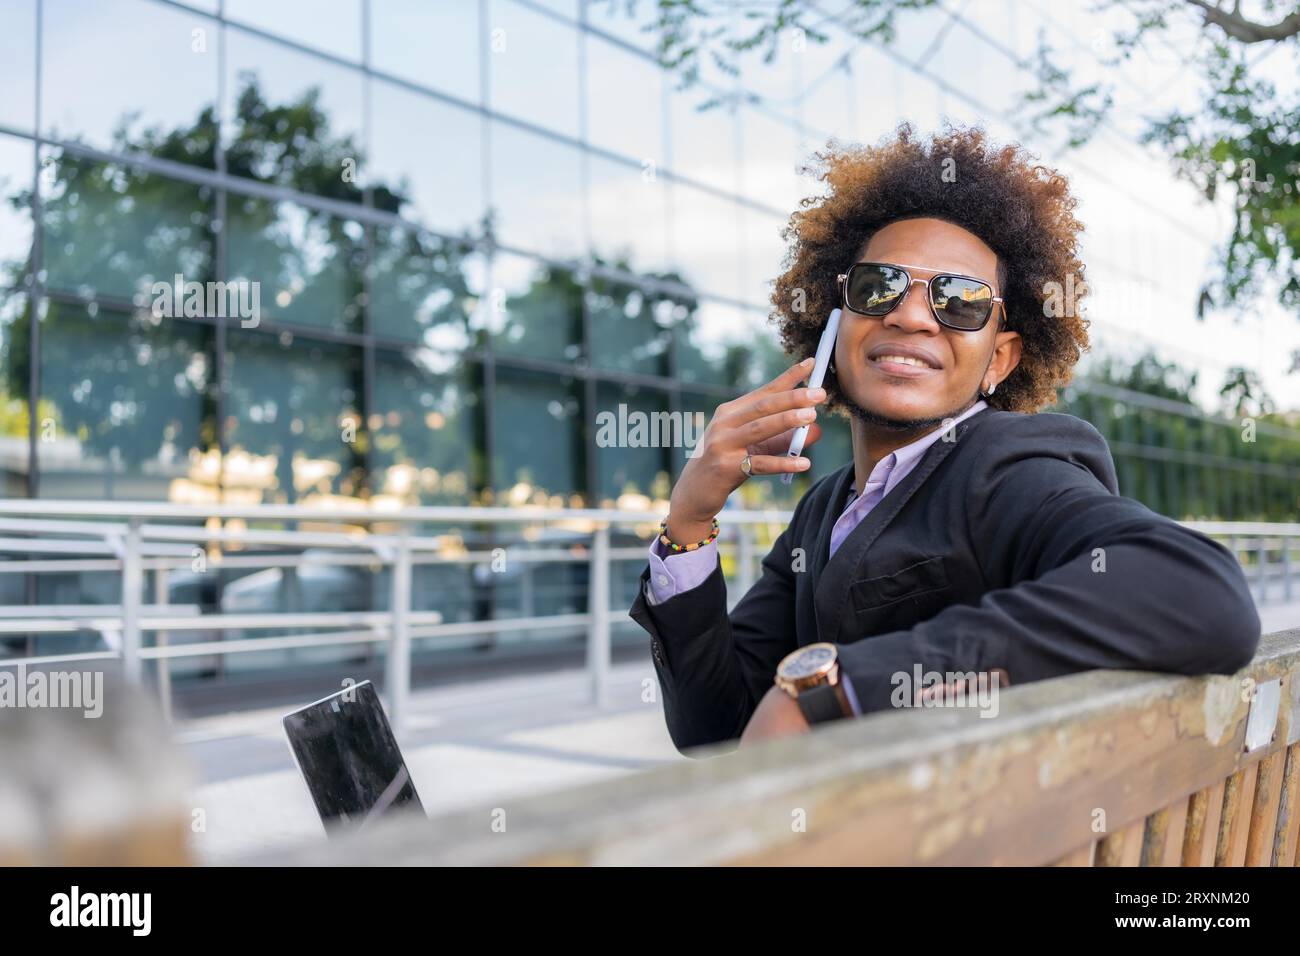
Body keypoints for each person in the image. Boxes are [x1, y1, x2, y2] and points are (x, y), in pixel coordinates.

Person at [628, 125, 1260, 754]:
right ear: (834, 325)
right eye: (880, 288)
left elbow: (1200, 595)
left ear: (1000, 361)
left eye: (960, 301)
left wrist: (847, 689)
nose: (910, 315)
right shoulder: (824, 509)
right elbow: (713, 727)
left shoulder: (1009, 471)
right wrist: (690, 518)